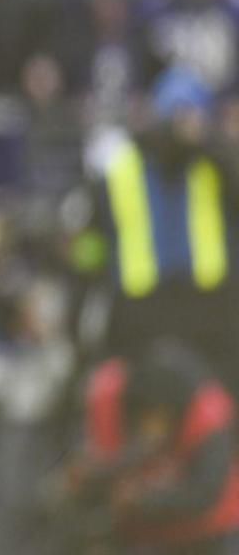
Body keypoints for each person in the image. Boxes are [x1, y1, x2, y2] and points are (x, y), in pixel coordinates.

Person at [72, 68, 239, 392]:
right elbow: (90, 244)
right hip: (140, 315)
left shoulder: (214, 164)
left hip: (206, 311)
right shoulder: (118, 168)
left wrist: (215, 146)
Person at [60, 340, 239, 555]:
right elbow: (97, 460)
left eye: (161, 418)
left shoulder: (209, 421)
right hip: (138, 532)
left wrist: (145, 501)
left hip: (205, 531)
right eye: (147, 415)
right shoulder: (108, 394)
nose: (152, 428)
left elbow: (205, 494)